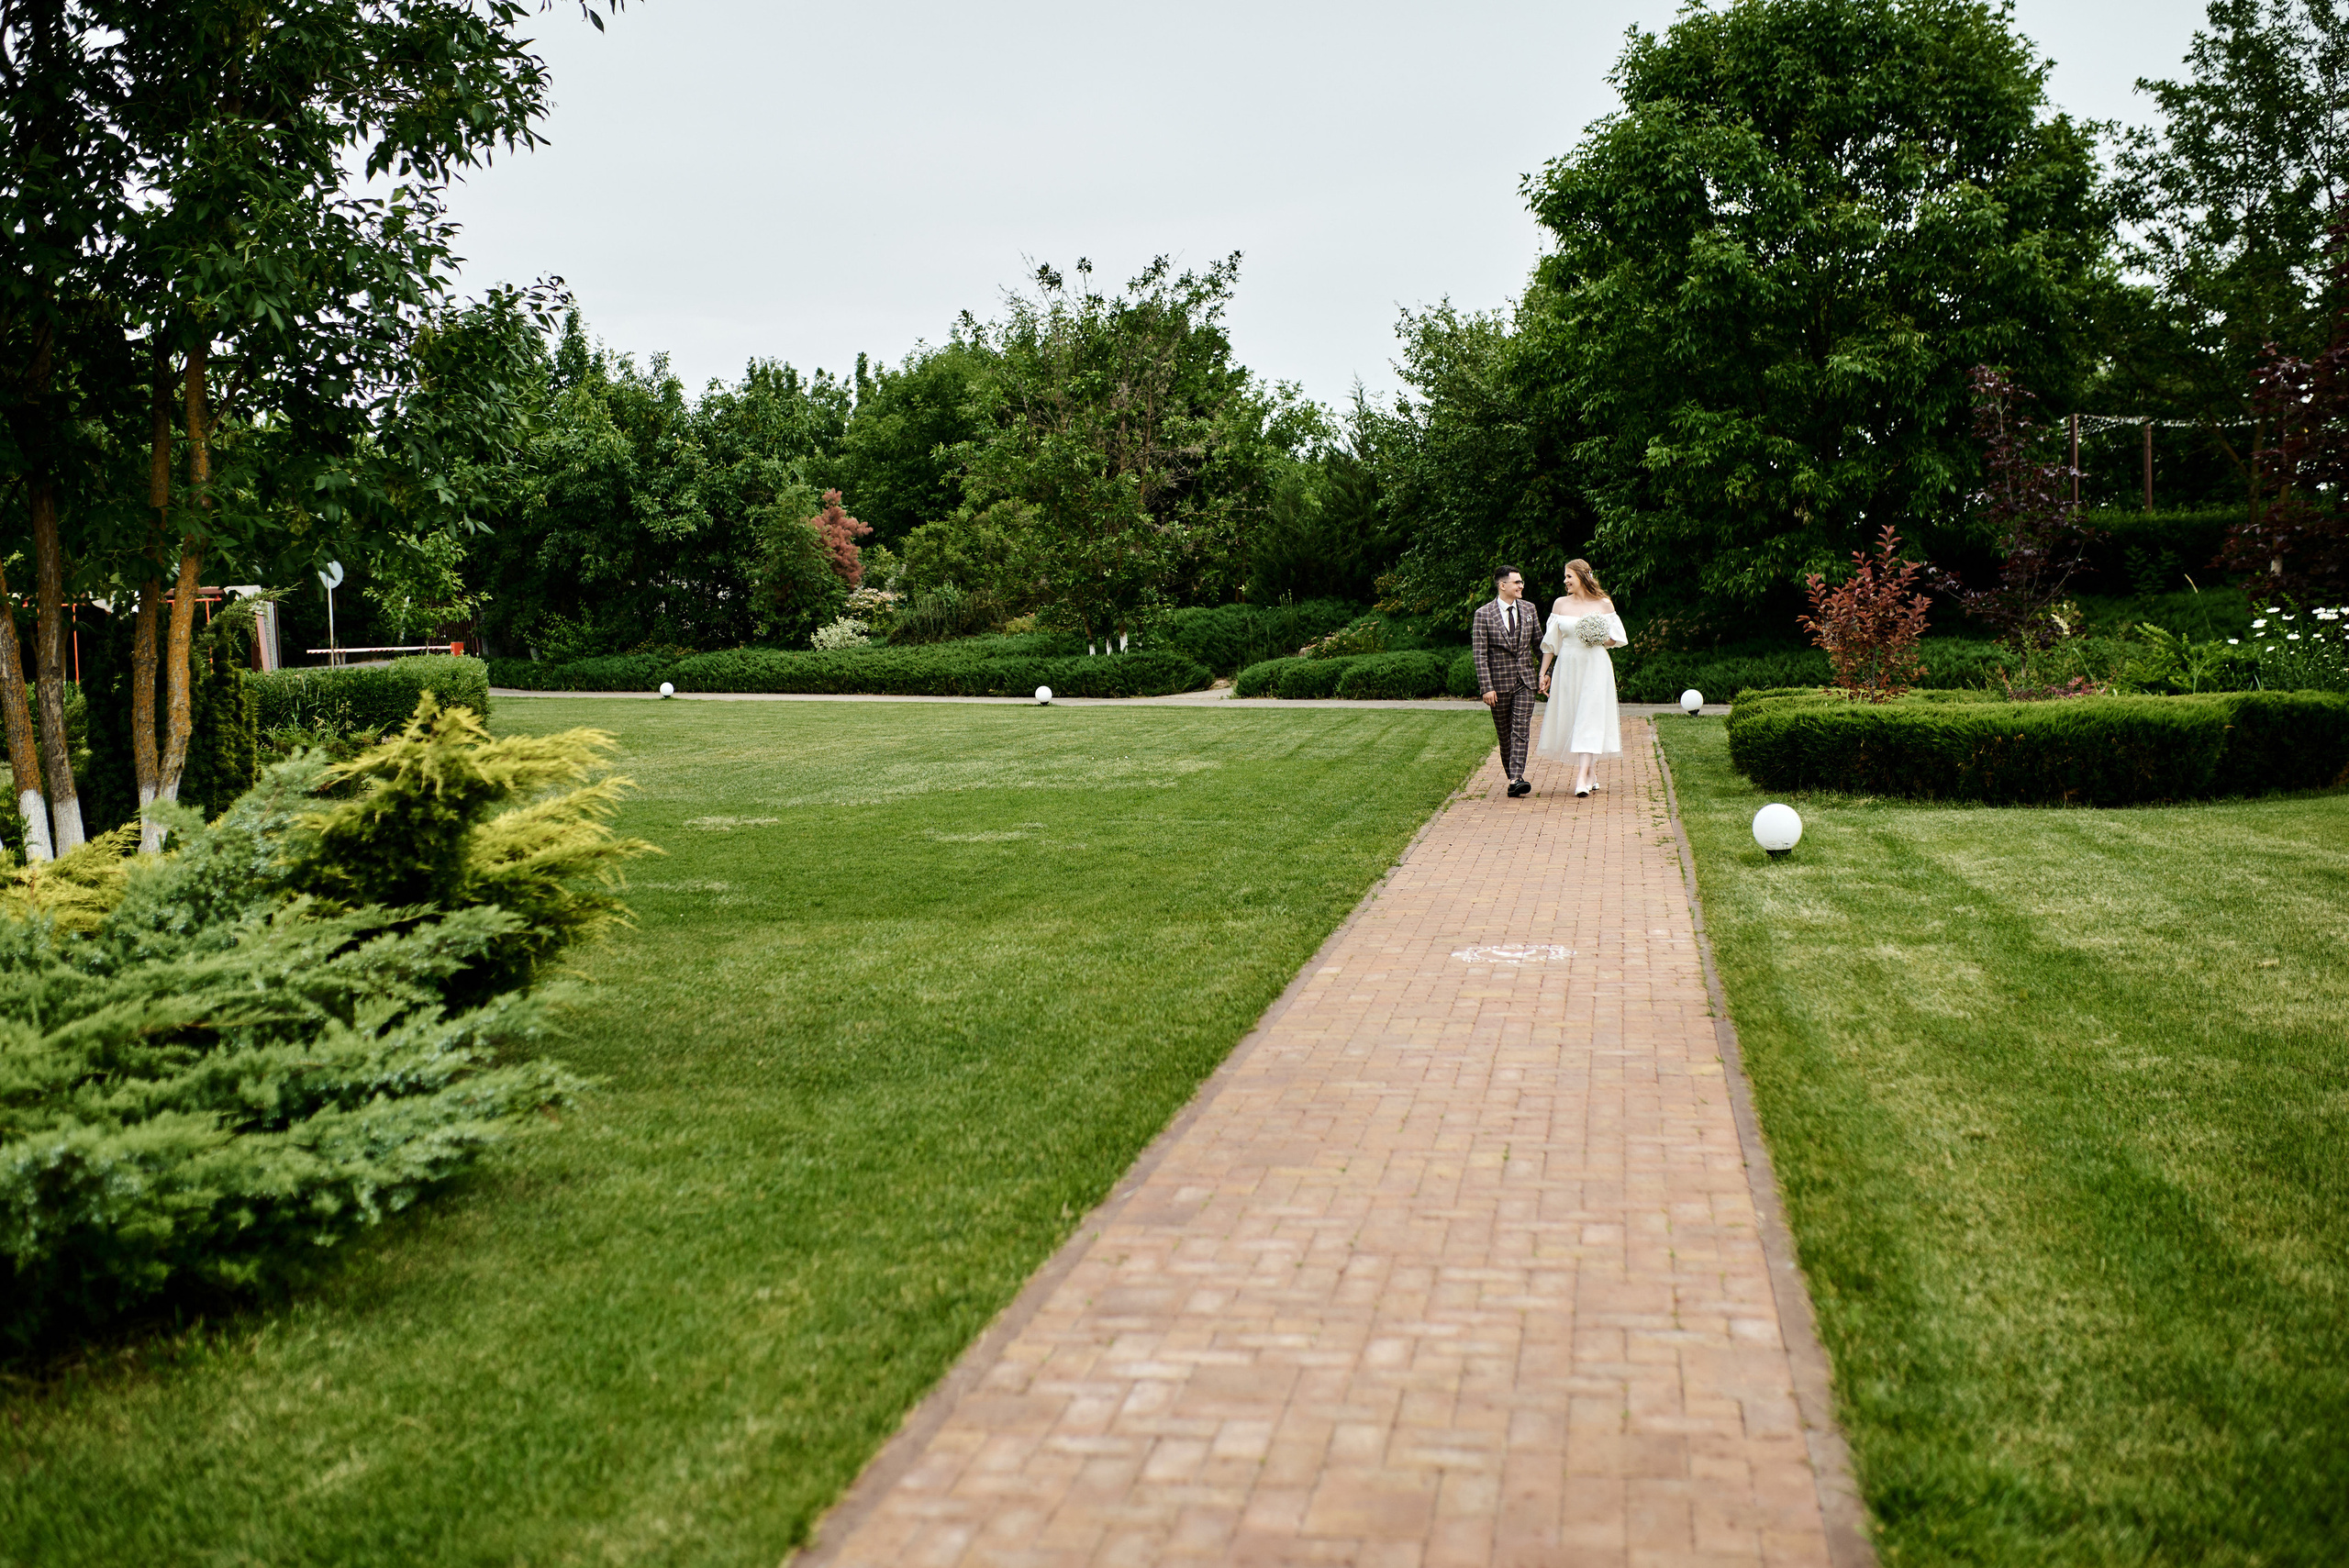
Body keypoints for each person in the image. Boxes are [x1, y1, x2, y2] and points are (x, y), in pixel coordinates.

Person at [1536, 559, 1625, 797]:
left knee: (1589, 717)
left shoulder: (1603, 604)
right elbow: (1551, 644)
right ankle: (1591, 772)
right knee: (1576, 716)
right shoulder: (1560, 604)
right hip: (1568, 666)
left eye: (1568, 577)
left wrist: (1598, 635)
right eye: (1565, 577)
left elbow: (1614, 639)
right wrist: (1544, 673)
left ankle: (1581, 778)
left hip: (1595, 666)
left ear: (1583, 576)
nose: (1565, 581)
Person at [1473, 564, 1542, 797]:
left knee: (1521, 729)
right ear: (1503, 585)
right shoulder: (1483, 614)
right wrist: (1486, 687)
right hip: (1498, 687)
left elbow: (1540, 646)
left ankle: (1516, 778)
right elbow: (1479, 655)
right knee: (1505, 735)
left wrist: (1546, 672)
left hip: (1526, 681)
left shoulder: (1530, 609)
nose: (1522, 586)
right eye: (1517, 583)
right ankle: (1514, 779)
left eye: (1521, 582)